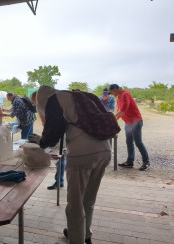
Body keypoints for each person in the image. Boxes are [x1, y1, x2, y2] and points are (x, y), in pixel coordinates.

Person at [29, 85, 111, 244]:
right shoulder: (83, 96)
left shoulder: (54, 101)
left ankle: (76, 239)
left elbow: (50, 138)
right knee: (88, 199)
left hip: (82, 156)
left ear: (41, 100)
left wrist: (40, 140)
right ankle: (85, 235)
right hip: (104, 151)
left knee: (75, 204)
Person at [108, 84, 150, 171]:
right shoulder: (118, 98)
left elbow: (124, 108)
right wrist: (113, 120)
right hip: (128, 123)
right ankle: (130, 162)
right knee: (129, 142)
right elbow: (119, 111)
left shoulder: (126, 94)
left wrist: (113, 117)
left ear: (116, 89)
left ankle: (146, 162)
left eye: (111, 92)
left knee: (138, 142)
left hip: (136, 121)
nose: (111, 94)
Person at [30, 91, 66, 190]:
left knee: (60, 158)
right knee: (62, 158)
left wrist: (43, 139)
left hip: (58, 136)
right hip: (62, 134)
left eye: (34, 103)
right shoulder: (56, 102)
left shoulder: (44, 106)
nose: (35, 106)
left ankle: (59, 181)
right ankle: (60, 180)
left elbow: (45, 124)